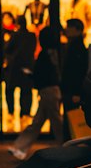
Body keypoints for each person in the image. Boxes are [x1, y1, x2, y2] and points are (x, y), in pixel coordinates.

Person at [9, 25, 62, 158]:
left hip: (48, 91)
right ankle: (19, 148)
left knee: (54, 122)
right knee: (41, 122)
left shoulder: (46, 54)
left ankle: (67, 146)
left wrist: (31, 75)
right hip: (50, 90)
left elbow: (42, 74)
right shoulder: (54, 53)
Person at [1, 13, 35, 132]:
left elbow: (7, 49)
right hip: (26, 67)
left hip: (15, 68)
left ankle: (11, 112)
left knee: (10, 90)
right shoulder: (31, 36)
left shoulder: (15, 35)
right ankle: (24, 113)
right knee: (26, 92)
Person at [60, 17, 90, 136]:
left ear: (77, 30)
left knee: (70, 118)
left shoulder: (77, 48)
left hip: (72, 91)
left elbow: (77, 72)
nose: (66, 30)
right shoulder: (75, 46)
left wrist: (76, 93)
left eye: (69, 27)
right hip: (72, 91)